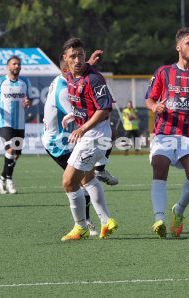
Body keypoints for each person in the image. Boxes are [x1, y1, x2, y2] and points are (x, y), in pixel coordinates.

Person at [145, 26, 189, 239]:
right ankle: (159, 219)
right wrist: (154, 107)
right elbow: (149, 98)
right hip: (164, 133)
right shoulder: (163, 72)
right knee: (159, 165)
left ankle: (179, 211)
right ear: (179, 47)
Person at [61, 37, 118, 241]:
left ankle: (80, 227)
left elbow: (104, 109)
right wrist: (73, 116)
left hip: (95, 136)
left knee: (68, 182)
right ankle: (106, 221)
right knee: (87, 178)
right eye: (73, 56)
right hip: (93, 135)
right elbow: (82, 76)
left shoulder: (94, 79)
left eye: (81, 55)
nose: (78, 60)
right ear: (66, 59)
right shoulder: (71, 75)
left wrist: (82, 127)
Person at [42, 53, 102, 236]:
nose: (79, 66)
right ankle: (85, 224)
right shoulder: (63, 92)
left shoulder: (61, 79)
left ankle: (88, 222)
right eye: (75, 63)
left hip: (62, 139)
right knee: (82, 180)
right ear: (67, 70)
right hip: (59, 144)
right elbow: (80, 118)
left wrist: (89, 63)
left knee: (87, 178)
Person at [0, 55, 32, 194]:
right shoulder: (0, 81)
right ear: (8, 67)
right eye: (14, 64)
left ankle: (1, 180)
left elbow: (29, 98)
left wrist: (28, 102)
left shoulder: (25, 82)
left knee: (16, 154)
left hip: (19, 123)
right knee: (11, 149)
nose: (16, 66)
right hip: (4, 121)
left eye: (18, 64)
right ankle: (10, 180)